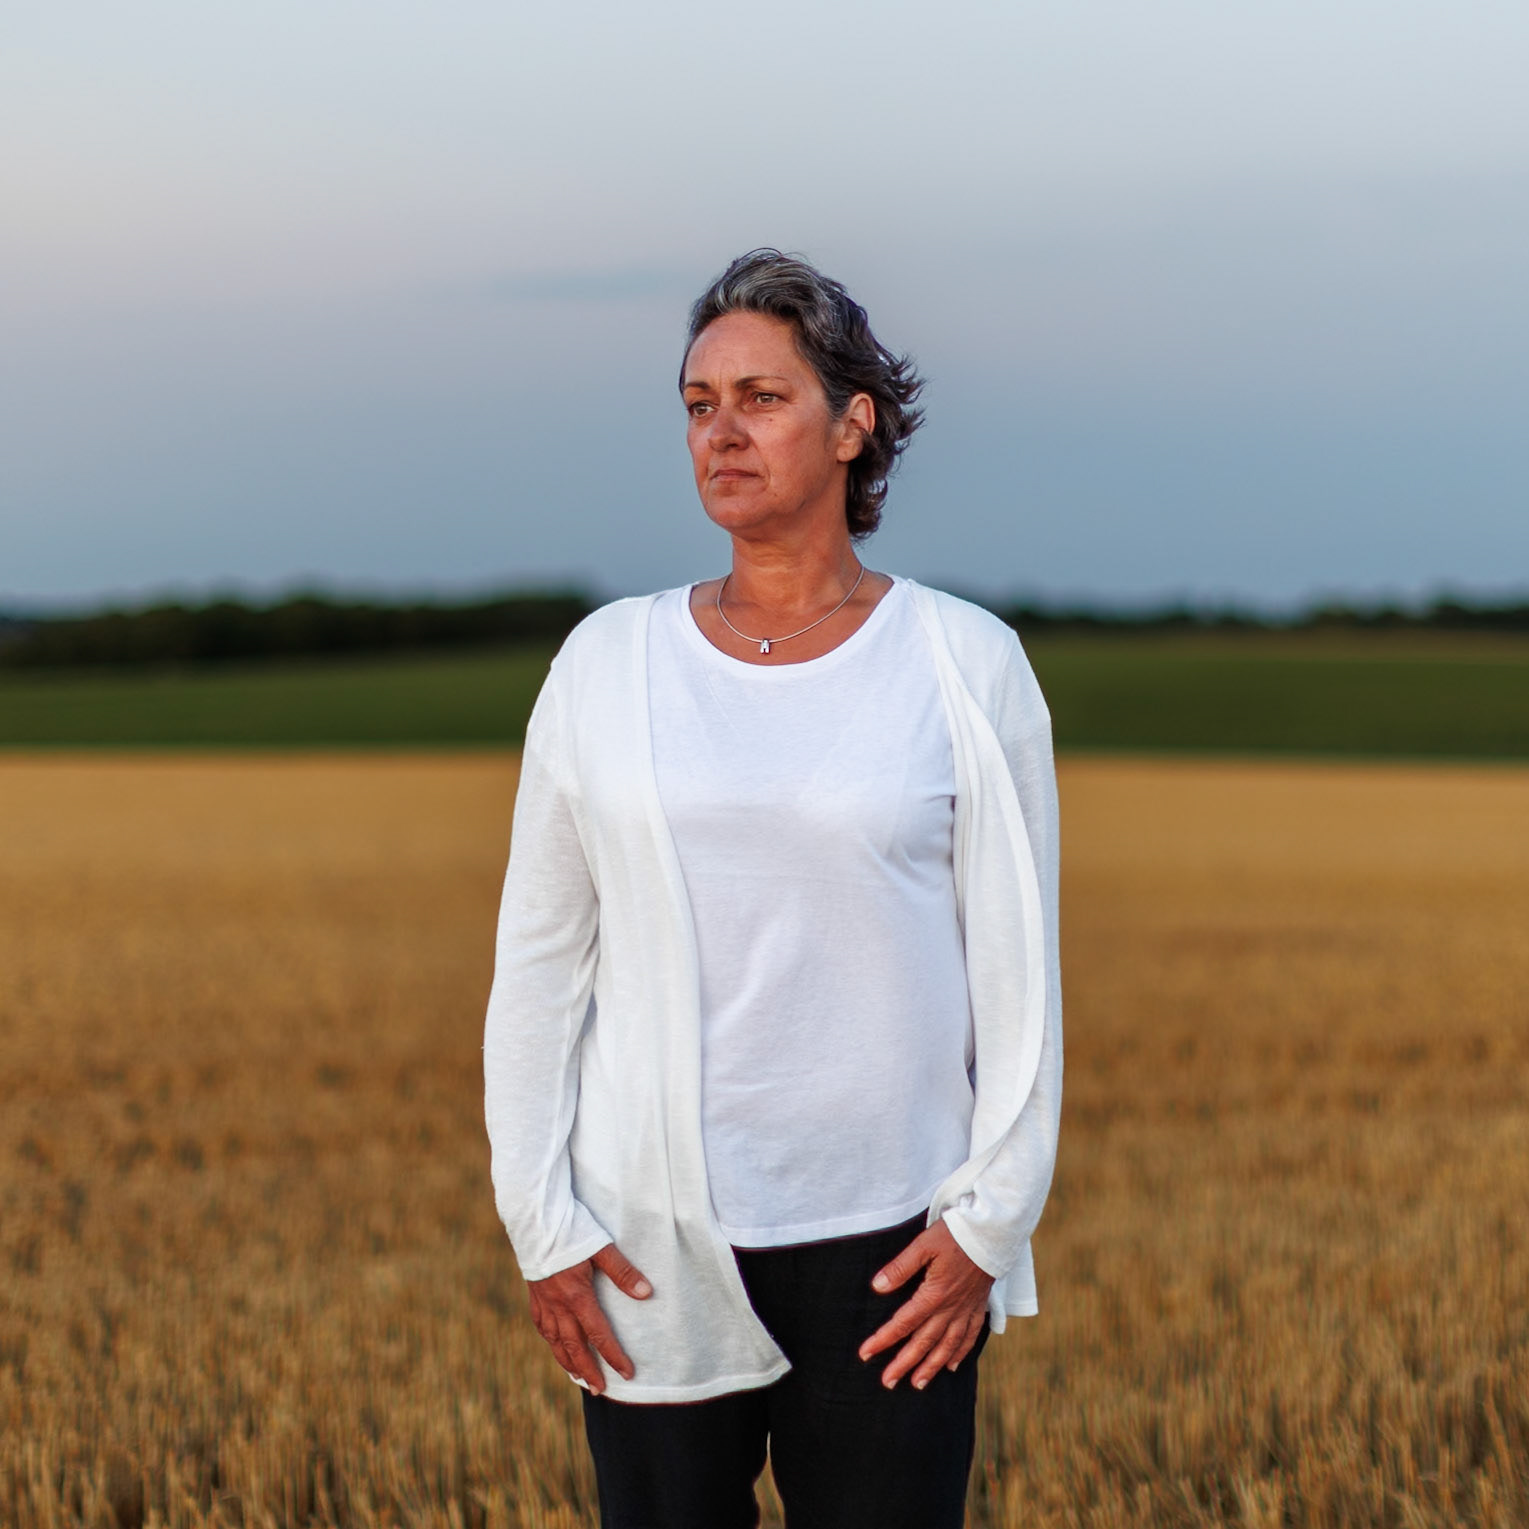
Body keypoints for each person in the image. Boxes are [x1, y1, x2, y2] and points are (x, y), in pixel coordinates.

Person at [483, 248, 1062, 1529]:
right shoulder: (604, 662)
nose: (721, 431)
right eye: (698, 404)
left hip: (894, 1248)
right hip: (649, 1239)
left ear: (854, 425)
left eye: (761, 396)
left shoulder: (964, 664)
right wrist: (545, 1226)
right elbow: (537, 963)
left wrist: (986, 1226)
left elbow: (1019, 977)